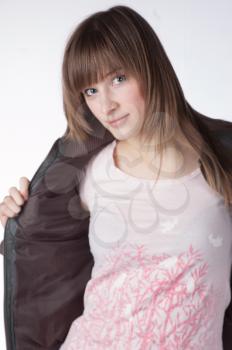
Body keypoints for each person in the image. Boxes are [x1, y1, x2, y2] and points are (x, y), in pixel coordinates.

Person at [1, 5, 232, 350]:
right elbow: (45, 260)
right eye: (90, 91)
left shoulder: (219, 163)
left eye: (118, 79)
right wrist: (17, 224)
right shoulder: (87, 175)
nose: (105, 105)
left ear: (150, 68)